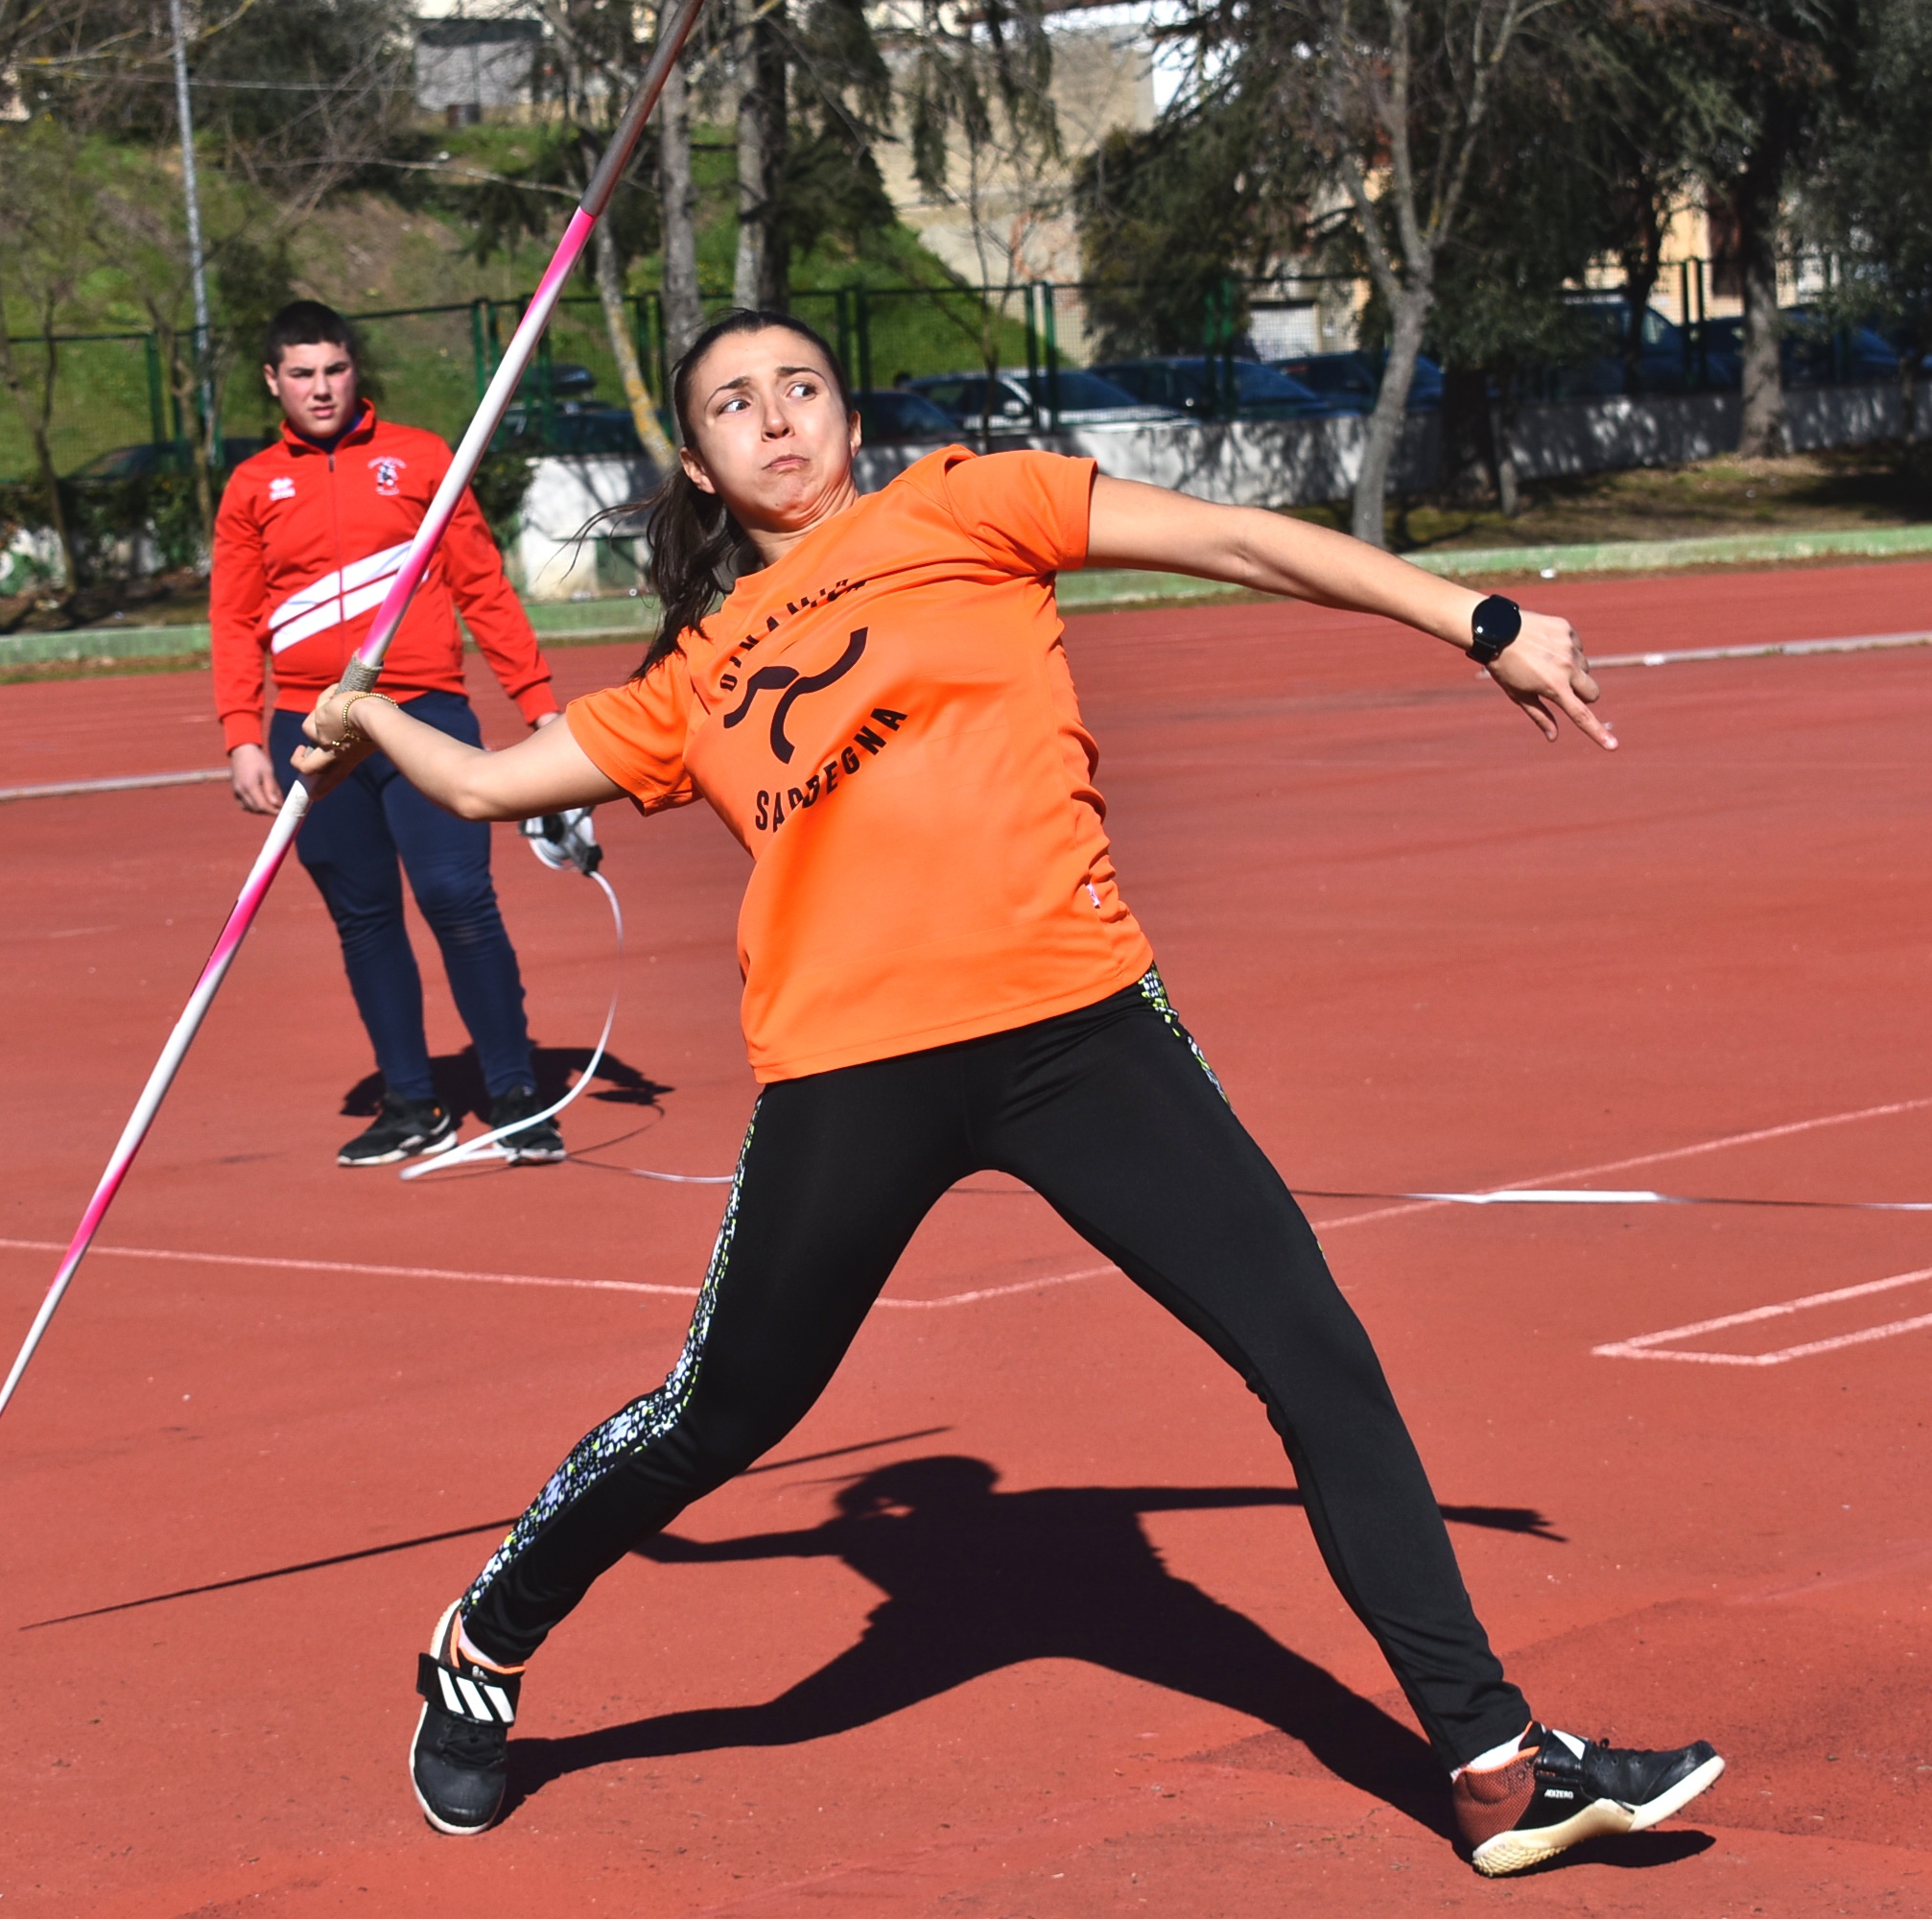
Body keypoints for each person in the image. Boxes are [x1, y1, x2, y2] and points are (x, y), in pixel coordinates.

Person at [292, 309, 1724, 1876]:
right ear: (697, 465)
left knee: (1316, 1356)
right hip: (853, 1070)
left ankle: (1496, 1767)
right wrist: (365, 720)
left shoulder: (969, 506)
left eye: (801, 387)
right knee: (722, 1415)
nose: (776, 418)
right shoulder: (692, 680)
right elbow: (489, 782)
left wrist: (1478, 617)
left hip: (1077, 1030)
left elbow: (1239, 541)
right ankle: (485, 1641)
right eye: (733, 405)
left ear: (850, 419)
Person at [215, 300, 568, 1168]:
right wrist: (241, 733)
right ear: (273, 381)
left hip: (422, 712)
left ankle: (515, 1093)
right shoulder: (253, 485)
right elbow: (234, 617)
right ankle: (412, 1101)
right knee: (363, 918)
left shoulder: (420, 458)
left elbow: (482, 585)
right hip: (311, 727)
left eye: (334, 369)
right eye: (302, 374)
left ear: (355, 370)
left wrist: (539, 704)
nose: (321, 388)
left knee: (458, 899)